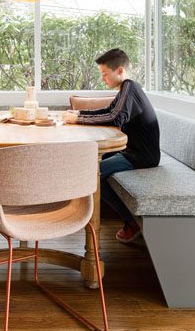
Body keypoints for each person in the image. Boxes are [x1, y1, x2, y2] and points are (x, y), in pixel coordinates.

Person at [62, 48, 160, 244]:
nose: (103, 79)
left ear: (120, 71)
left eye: (105, 74)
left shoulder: (130, 87)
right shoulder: (127, 89)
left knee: (91, 173)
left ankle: (131, 222)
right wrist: (78, 115)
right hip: (130, 152)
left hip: (140, 156)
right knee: (87, 164)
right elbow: (109, 110)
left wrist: (78, 119)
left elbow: (115, 118)